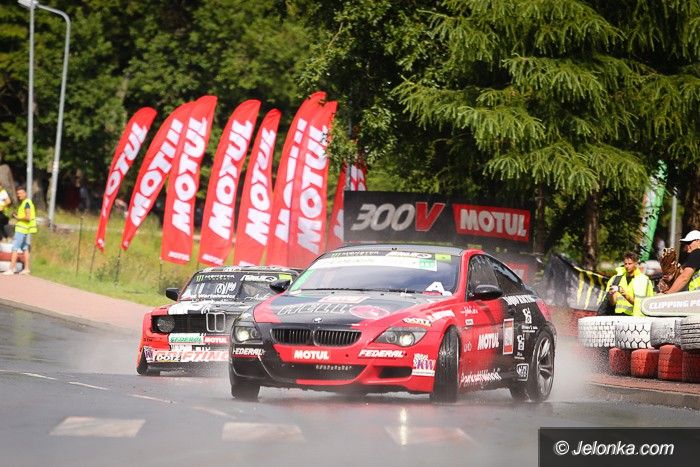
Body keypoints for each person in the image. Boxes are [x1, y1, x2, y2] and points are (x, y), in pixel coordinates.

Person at [606, 251, 654, 316]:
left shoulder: (642, 280)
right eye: (625, 264)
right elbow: (613, 303)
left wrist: (623, 293)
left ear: (636, 264)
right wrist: (611, 294)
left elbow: (641, 304)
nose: (627, 266)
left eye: (630, 264)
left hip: (634, 316)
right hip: (618, 316)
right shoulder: (617, 279)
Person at [3, 186, 37, 275]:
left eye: (21, 193)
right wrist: (17, 215)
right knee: (24, 248)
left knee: (14, 248)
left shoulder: (26, 203)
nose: (19, 195)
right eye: (18, 194)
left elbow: (28, 217)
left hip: (21, 229)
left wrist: (18, 217)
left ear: (25, 193)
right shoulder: (25, 203)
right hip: (24, 229)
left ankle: (11, 268)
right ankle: (26, 268)